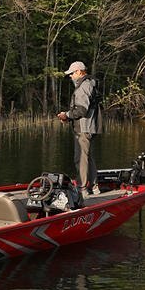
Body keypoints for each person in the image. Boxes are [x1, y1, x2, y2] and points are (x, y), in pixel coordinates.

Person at [56, 61, 102, 194]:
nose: (70, 76)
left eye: (71, 73)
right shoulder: (89, 84)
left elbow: (82, 110)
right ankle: (94, 187)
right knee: (88, 157)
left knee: (81, 158)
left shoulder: (83, 86)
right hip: (89, 127)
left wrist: (66, 115)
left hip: (83, 129)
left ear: (78, 72)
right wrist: (68, 117)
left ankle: (82, 189)